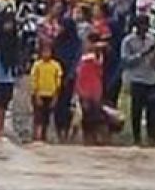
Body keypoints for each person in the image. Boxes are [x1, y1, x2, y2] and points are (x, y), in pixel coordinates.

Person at [120, 15, 155, 145]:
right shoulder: (128, 41)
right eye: (142, 25)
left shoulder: (152, 39)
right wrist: (142, 54)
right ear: (136, 27)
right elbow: (125, 60)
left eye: (147, 25)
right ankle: (137, 138)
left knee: (153, 111)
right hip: (137, 79)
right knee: (136, 110)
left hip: (152, 79)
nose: (145, 28)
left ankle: (152, 138)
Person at [0, 11, 20, 140]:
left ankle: (0, 130)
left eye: (11, 23)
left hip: (8, 77)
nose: (8, 26)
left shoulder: (14, 40)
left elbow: (18, 57)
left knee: (2, 103)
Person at [52, 10, 82, 142]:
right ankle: (59, 133)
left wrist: (70, 75)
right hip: (56, 78)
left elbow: (77, 60)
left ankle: (67, 132)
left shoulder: (76, 43)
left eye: (63, 26)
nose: (60, 29)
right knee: (57, 106)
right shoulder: (57, 41)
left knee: (68, 105)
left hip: (70, 79)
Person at [29, 41, 63, 143]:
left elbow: (58, 81)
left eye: (48, 52)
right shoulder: (37, 65)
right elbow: (34, 79)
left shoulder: (56, 66)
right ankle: (37, 137)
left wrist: (56, 96)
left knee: (46, 118)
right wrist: (36, 94)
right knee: (38, 117)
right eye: (44, 52)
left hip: (51, 94)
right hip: (39, 94)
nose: (46, 54)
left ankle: (44, 137)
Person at [76, 34, 106, 144]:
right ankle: (88, 137)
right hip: (86, 87)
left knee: (93, 114)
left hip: (93, 88)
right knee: (87, 114)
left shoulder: (94, 56)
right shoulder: (85, 56)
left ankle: (93, 137)